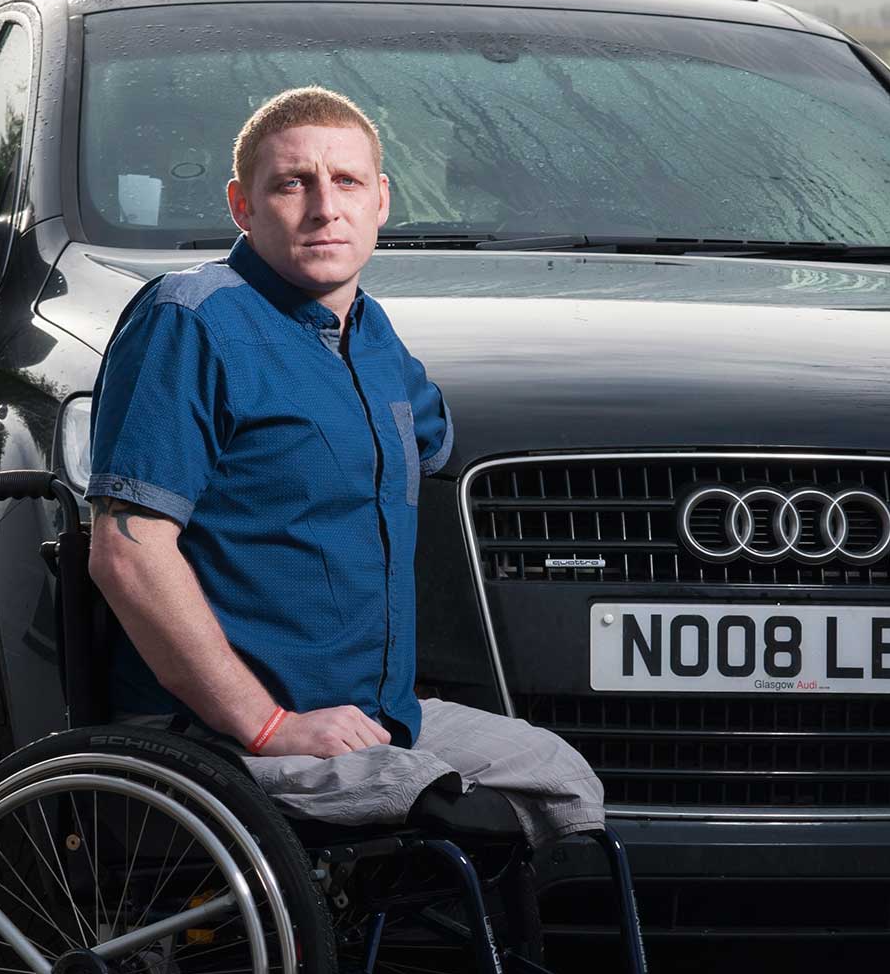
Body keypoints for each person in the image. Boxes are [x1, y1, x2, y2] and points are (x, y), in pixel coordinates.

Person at [83, 85, 602, 844]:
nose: (326, 207)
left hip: (379, 714)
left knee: (561, 785)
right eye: (293, 183)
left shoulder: (369, 331)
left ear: (381, 201)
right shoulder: (191, 322)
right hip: (233, 729)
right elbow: (126, 557)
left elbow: (432, 438)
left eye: (348, 182)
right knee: (447, 805)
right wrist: (266, 726)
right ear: (242, 205)